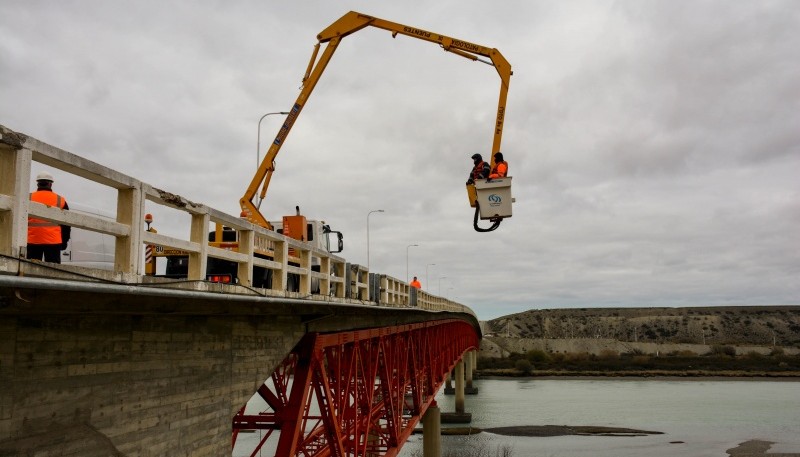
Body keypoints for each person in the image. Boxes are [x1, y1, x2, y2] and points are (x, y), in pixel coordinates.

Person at [27, 172, 70, 263]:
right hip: (53, 242)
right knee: (52, 272)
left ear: (38, 183)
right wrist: (64, 241)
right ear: (50, 184)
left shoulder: (28, 197)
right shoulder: (60, 200)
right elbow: (66, 224)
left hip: (32, 241)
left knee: (30, 270)